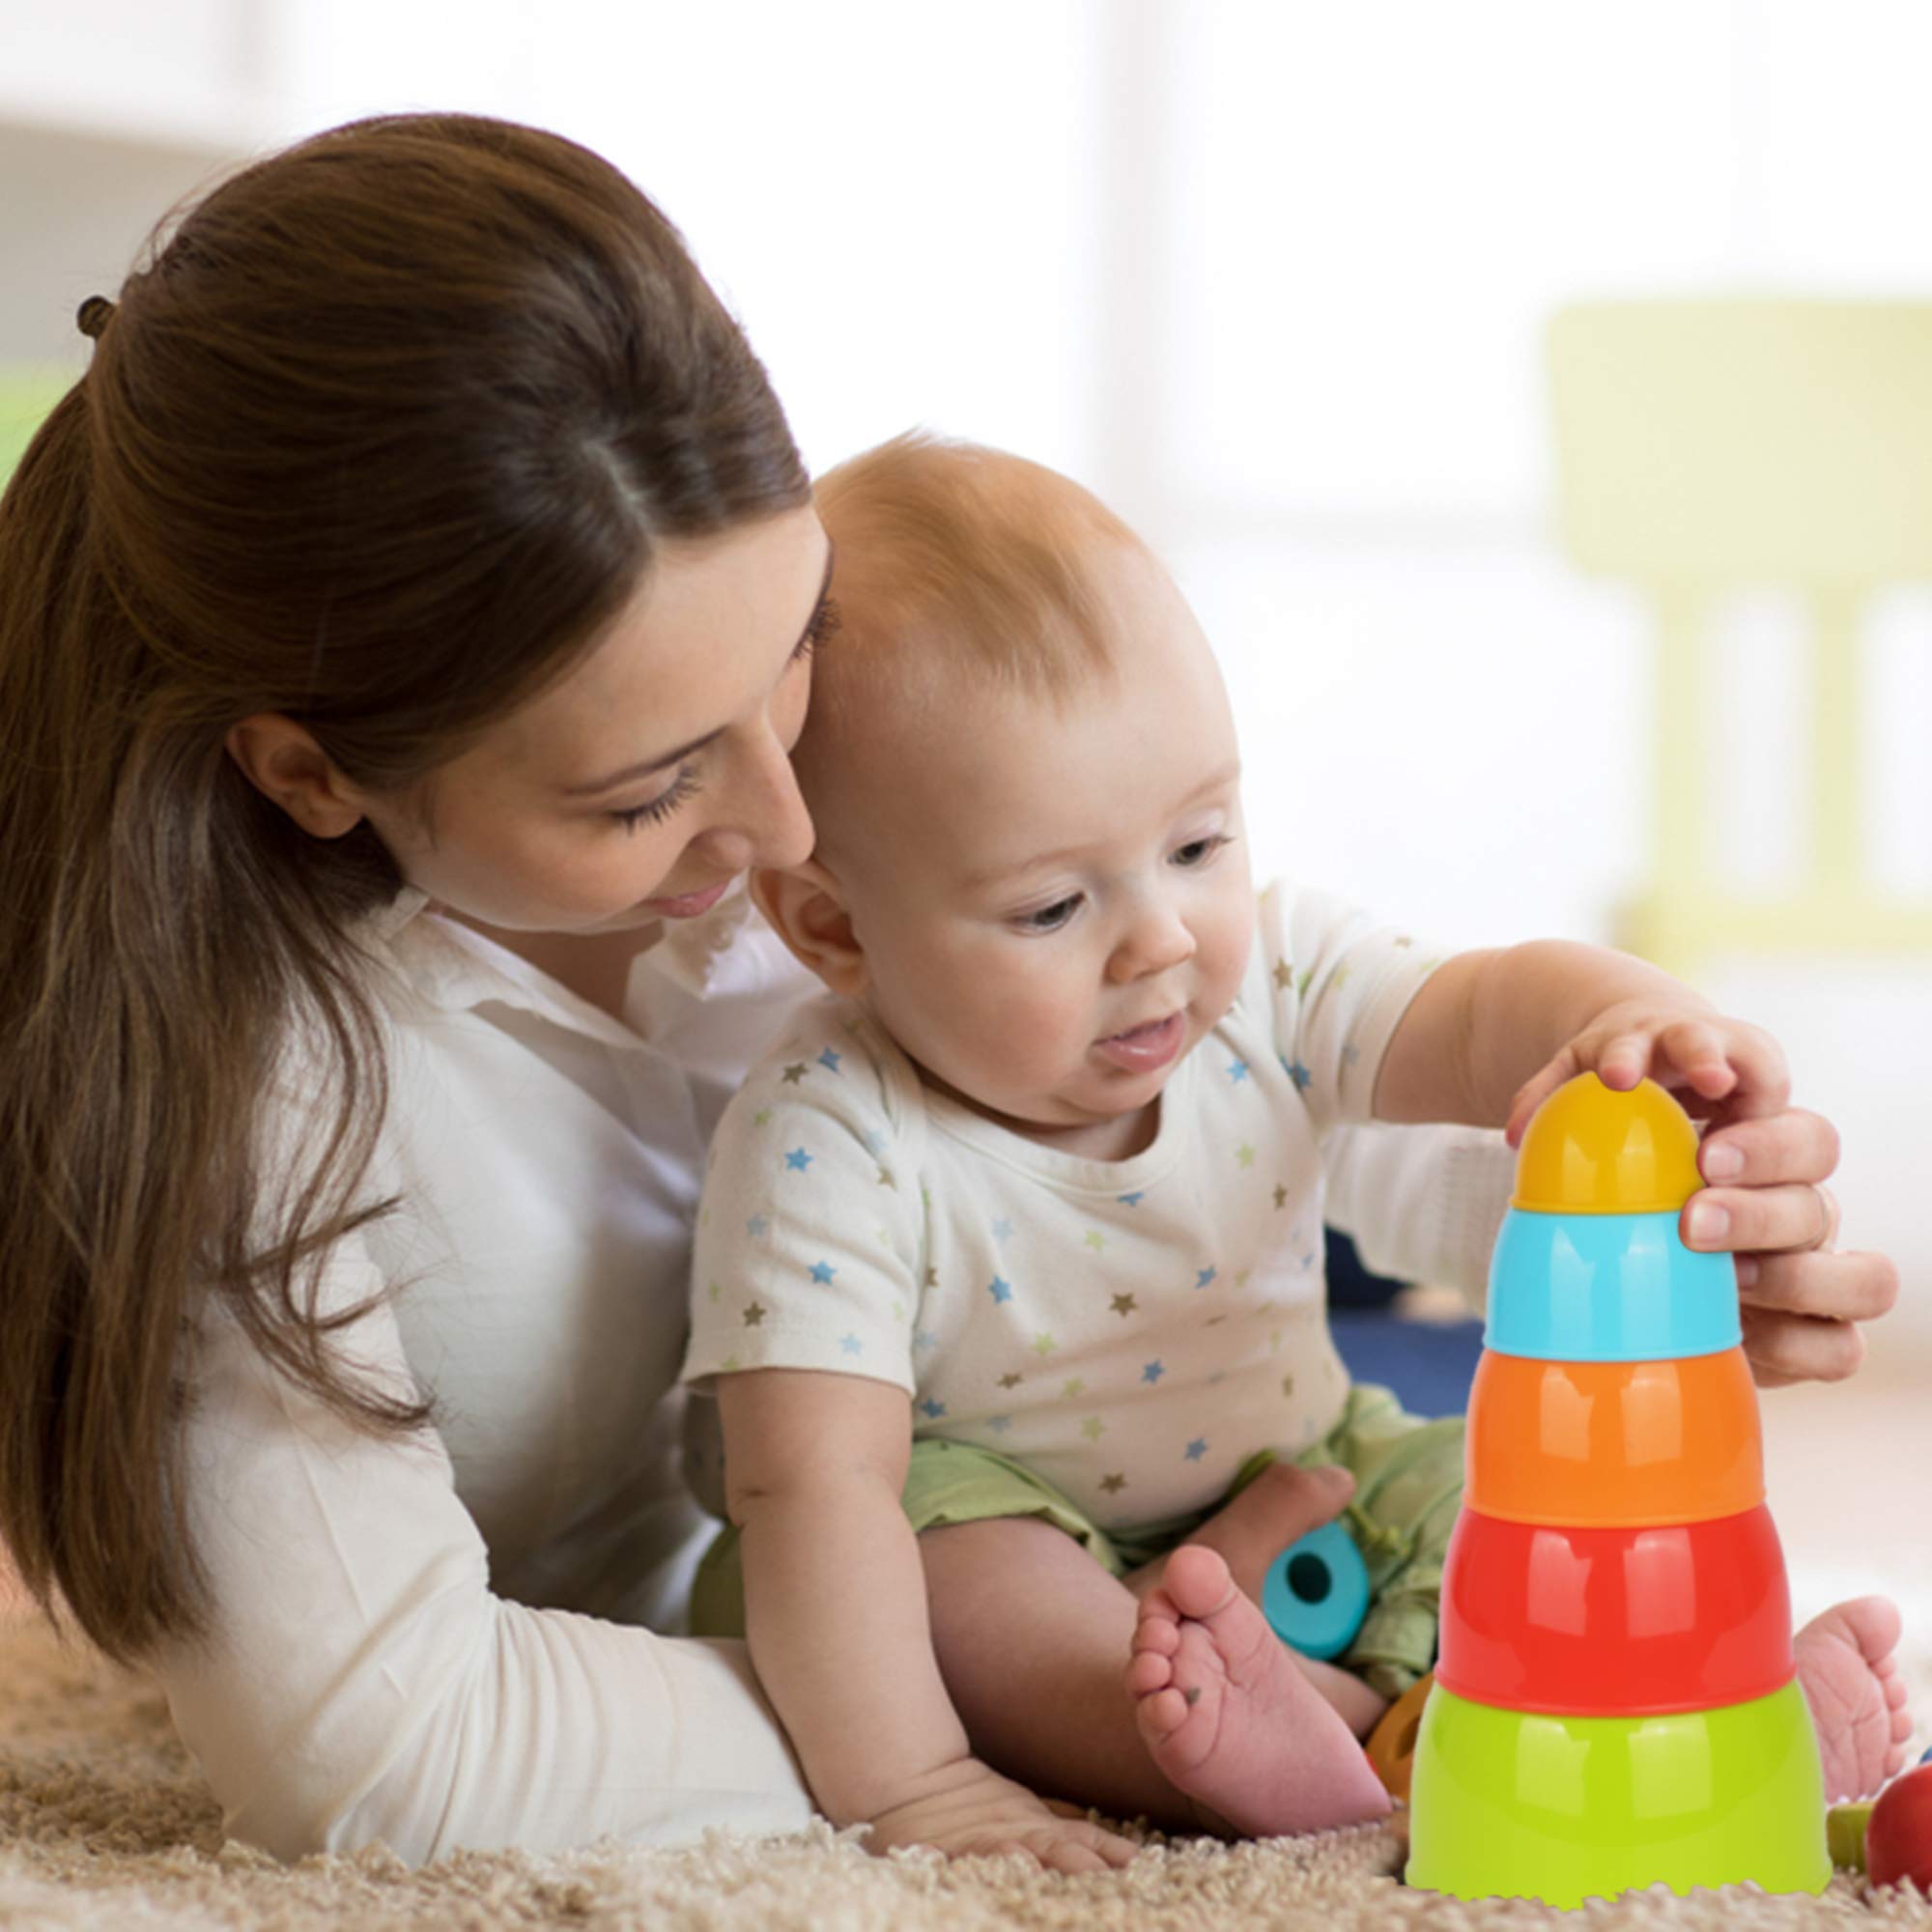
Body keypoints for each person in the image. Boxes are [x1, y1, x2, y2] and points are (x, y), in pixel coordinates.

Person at [0, 115, 1894, 1873]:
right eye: (650, 784)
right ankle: (1384, 1731)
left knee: (1472, 1508)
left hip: (1167, 1506)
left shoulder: (920, 826)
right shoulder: (245, 1111)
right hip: (881, 1590)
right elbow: (388, 1751)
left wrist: (1645, 1202)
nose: (786, 820)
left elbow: (1275, 1124)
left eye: (790, 668)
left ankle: (1605, 1711)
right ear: (316, 773)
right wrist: (929, 1715)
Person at [680, 434, 1916, 1868]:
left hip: (1314, 1468)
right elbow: (810, 1486)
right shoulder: (830, 1133)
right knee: (943, 1580)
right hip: (1036, 1533)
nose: (1161, 940)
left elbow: (1474, 1007)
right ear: (833, 926)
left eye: (1197, 843)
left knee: (1507, 1499)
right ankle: (1252, 1744)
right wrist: (913, 1788)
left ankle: (1668, 1716)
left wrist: (1632, 1025)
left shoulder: (1268, 984)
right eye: (1050, 908)